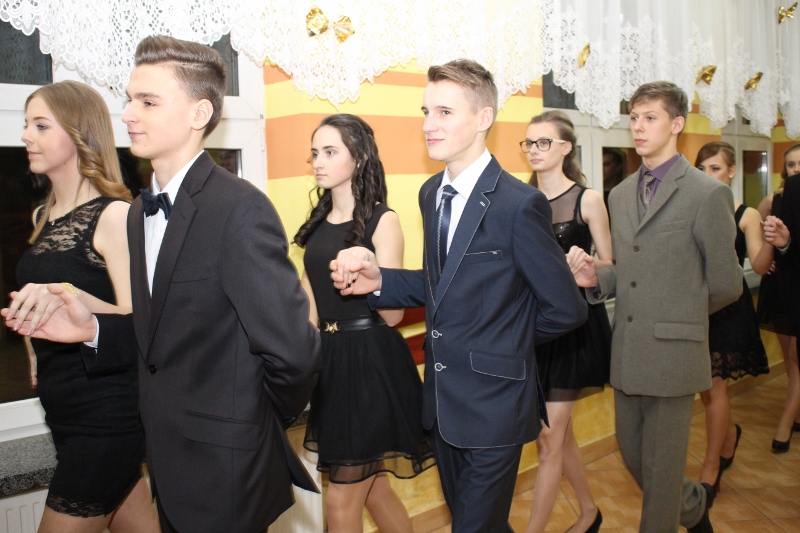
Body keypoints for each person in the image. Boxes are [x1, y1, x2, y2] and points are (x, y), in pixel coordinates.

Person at [3, 35, 321, 533]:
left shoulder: (238, 208)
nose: (129, 114)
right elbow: (160, 341)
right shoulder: (137, 214)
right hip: (166, 459)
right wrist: (92, 329)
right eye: (130, 99)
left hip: (226, 466)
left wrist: (246, 425)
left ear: (199, 113)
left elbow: (295, 352)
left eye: (148, 102)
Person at [330, 59, 588, 533]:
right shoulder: (432, 193)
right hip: (442, 403)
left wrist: (501, 342)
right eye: (426, 111)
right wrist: (381, 281)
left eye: (444, 112)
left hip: (496, 404)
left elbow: (565, 308)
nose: (429, 125)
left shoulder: (518, 204)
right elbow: (442, 285)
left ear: (483, 117)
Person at [570, 81, 742, 533]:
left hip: (675, 353)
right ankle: (695, 508)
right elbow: (630, 271)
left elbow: (726, 285)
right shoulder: (621, 194)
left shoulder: (706, 194)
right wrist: (597, 278)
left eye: (650, 118)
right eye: (634, 118)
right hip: (629, 352)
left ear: (677, 124)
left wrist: (677, 316)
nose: (639, 127)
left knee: (660, 479)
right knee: (636, 459)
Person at [5, 81, 159, 533]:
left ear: (78, 133)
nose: (26, 136)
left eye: (40, 125)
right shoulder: (43, 216)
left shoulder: (114, 215)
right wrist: (34, 346)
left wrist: (70, 295)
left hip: (106, 414)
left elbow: (139, 321)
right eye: (26, 125)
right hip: (63, 412)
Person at [294, 114, 435, 532]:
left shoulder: (382, 219)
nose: (318, 161)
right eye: (315, 153)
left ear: (358, 158)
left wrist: (367, 271)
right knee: (373, 491)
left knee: (341, 500)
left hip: (371, 364)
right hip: (332, 364)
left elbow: (393, 314)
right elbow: (308, 309)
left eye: (330, 151)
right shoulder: (317, 224)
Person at [520, 111, 610, 533]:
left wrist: (587, 264)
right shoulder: (522, 200)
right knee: (558, 433)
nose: (534, 150)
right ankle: (589, 512)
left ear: (566, 147)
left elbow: (611, 265)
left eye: (543, 142)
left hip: (575, 328)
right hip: (537, 330)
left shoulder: (587, 199)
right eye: (529, 143)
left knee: (549, 438)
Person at [694, 141, 770, 487]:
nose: (707, 175)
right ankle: (729, 436)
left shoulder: (746, 214)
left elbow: (759, 264)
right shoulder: (693, 209)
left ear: (732, 172)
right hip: (698, 307)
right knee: (706, 388)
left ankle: (710, 470)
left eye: (715, 168)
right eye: (701, 169)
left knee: (714, 386)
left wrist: (773, 243)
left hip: (729, 307)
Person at [761, 143, 800, 451]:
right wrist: (769, 254)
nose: (796, 170)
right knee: (789, 358)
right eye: (791, 165)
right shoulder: (773, 201)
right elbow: (758, 236)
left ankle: (785, 424)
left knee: (797, 357)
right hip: (782, 286)